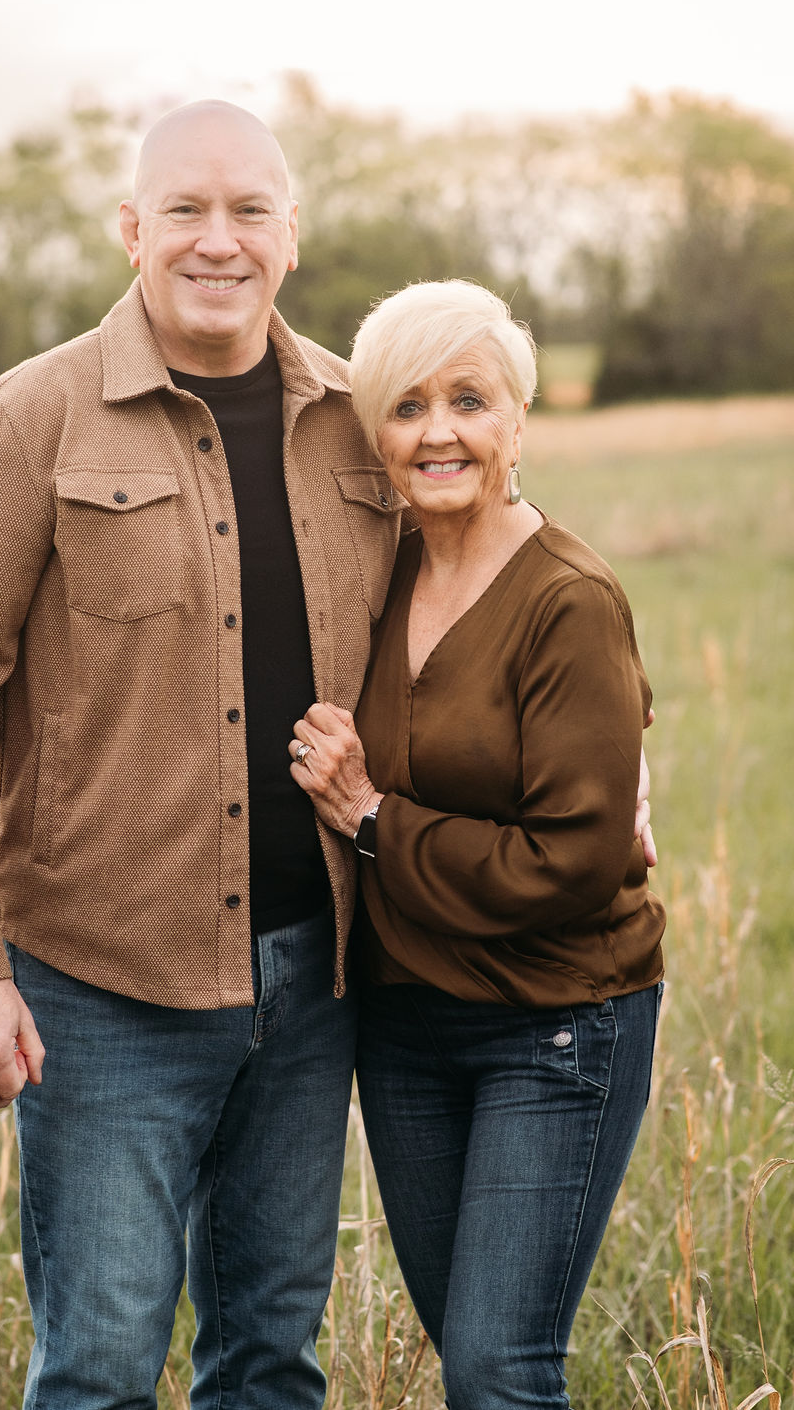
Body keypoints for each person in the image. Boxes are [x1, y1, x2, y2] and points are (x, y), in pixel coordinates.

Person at [0, 100, 406, 1410]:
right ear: (131, 231)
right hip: (101, 994)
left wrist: (596, 765)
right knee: (103, 1366)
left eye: (248, 212)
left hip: (313, 981)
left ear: (294, 235)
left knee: (273, 1361)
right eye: (184, 209)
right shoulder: (26, 421)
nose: (215, 241)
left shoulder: (367, 420)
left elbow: (481, 620)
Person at [289, 279, 666, 1410]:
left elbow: (574, 861)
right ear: (375, 438)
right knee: (469, 1355)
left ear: (517, 421)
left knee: (502, 1371)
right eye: (405, 406)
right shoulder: (373, 572)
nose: (438, 430)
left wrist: (371, 818)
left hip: (554, 1023)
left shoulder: (567, 599)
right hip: (404, 1026)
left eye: (469, 398)